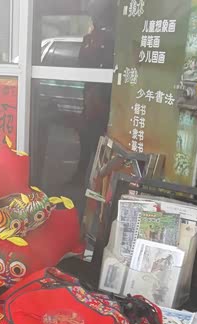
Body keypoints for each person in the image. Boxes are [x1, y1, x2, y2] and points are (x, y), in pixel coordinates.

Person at [73, 0, 116, 187]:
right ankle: (80, 175)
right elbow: (82, 64)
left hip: (106, 98)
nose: (95, 20)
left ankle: (100, 183)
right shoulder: (89, 38)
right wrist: (90, 44)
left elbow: (110, 65)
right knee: (86, 137)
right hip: (91, 97)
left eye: (97, 15)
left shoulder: (113, 39)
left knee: (105, 140)